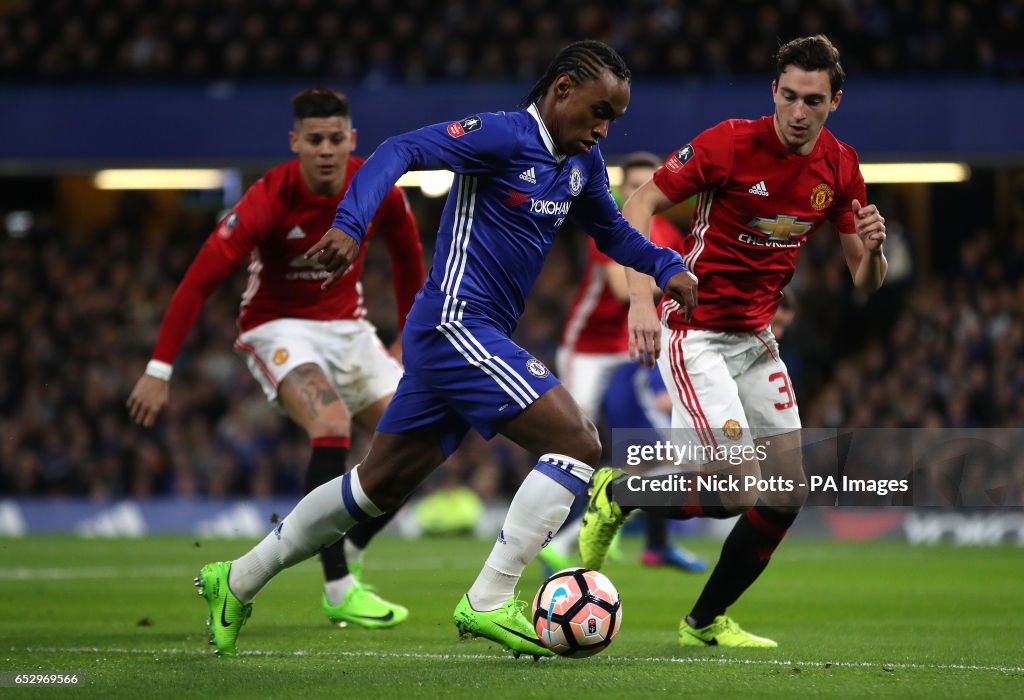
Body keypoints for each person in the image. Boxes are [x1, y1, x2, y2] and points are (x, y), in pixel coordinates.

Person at [194, 40, 698, 658]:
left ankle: (236, 579)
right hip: (456, 325)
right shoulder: (502, 136)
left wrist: (666, 264)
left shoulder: (581, 164)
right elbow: (399, 148)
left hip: (469, 335)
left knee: (374, 487)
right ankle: (489, 598)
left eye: (613, 118)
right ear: (562, 89)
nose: (603, 128)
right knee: (580, 444)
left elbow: (614, 230)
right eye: (598, 110)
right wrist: (352, 222)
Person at [579, 35, 888, 648]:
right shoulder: (728, 144)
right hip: (695, 332)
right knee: (735, 490)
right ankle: (616, 492)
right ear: (774, 92)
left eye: (815, 101)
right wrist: (642, 301)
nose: (800, 112)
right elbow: (637, 205)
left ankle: (704, 622)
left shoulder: (840, 166)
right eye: (791, 96)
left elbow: (865, 282)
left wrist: (875, 250)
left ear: (835, 102)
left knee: (784, 494)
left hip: (754, 336)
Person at [127, 87, 424, 630]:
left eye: (336, 138)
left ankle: (349, 553)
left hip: (351, 328)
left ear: (352, 139)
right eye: (315, 140)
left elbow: (409, 259)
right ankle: (338, 587)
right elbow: (200, 281)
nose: (327, 149)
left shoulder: (376, 184)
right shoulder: (269, 197)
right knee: (331, 422)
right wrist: (158, 369)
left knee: (418, 440)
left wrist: (412, 340)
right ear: (296, 143)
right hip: (279, 327)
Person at [540, 152, 706, 574]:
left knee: (657, 443)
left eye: (644, 186)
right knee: (576, 445)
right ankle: (556, 536)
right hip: (588, 352)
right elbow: (620, 286)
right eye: (629, 187)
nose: (637, 194)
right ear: (618, 190)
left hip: (636, 346)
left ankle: (655, 544)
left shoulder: (668, 232)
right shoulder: (611, 228)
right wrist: (674, 276)